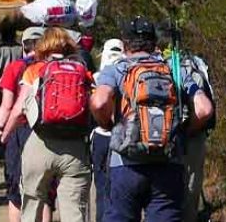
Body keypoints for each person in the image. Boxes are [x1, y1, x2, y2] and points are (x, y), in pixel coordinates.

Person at [90, 17, 213, 222]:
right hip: (168, 164)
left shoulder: (117, 69)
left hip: (125, 164)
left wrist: (109, 126)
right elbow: (204, 109)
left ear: (125, 44)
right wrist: (185, 132)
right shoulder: (174, 69)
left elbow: (99, 102)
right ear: (155, 43)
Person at [4, 27, 93, 222]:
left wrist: (4, 135)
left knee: (33, 201)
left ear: (42, 47)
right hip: (75, 148)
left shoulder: (35, 70)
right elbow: (93, 105)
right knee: (74, 211)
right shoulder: (83, 72)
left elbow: (19, 109)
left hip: (40, 143)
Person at [159, 25, 216, 222]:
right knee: (191, 188)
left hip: (168, 136)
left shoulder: (160, 65)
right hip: (196, 135)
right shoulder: (197, 64)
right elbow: (206, 109)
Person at [0, 26, 45, 222]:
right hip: (45, 133)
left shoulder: (15, 68)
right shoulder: (49, 67)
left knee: (15, 193)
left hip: (18, 131)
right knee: (43, 192)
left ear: (23, 45)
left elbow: (6, 106)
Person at [89, 39, 125, 222]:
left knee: (102, 188)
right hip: (124, 137)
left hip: (100, 137)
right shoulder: (129, 74)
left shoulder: (97, 78)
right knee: (121, 190)